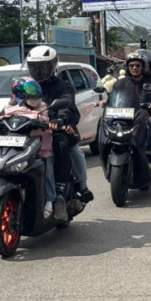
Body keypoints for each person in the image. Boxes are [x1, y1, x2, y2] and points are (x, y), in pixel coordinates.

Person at [26, 45, 93, 202]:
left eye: (43, 67)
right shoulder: (27, 86)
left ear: (53, 65)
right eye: (36, 67)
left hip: (60, 128)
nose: (39, 71)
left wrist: (60, 119)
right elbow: (14, 103)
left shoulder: (63, 86)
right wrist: (0, 117)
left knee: (70, 148)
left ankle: (78, 186)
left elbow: (68, 106)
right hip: (33, 129)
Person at [2, 77, 63, 220]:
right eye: (29, 91)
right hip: (19, 148)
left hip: (42, 148)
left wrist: (49, 122)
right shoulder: (12, 108)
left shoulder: (43, 108)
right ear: (18, 95)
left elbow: (47, 119)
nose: (34, 95)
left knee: (48, 173)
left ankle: (50, 200)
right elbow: (3, 116)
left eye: (35, 91)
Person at [105, 51, 151, 157]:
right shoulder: (121, 83)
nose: (134, 68)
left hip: (146, 113)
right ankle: (107, 149)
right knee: (109, 124)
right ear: (127, 67)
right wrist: (106, 102)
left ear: (143, 67)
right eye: (131, 65)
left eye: (137, 65)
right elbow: (114, 97)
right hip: (126, 115)